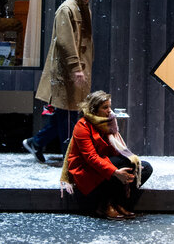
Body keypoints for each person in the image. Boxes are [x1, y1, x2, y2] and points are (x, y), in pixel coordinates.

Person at [24, 0, 94, 162]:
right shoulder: (67, 9)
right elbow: (65, 42)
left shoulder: (82, 9)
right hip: (66, 73)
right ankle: (69, 158)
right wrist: (75, 68)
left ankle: (37, 142)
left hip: (75, 71)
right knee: (68, 115)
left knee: (66, 113)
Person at [60, 91, 152, 220]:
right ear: (94, 109)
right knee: (119, 165)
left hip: (104, 163)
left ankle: (117, 202)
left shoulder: (109, 123)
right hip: (86, 169)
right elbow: (91, 157)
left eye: (110, 106)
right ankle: (105, 205)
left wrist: (130, 165)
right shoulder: (82, 125)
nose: (109, 111)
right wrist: (115, 172)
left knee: (144, 167)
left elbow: (117, 151)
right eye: (105, 107)